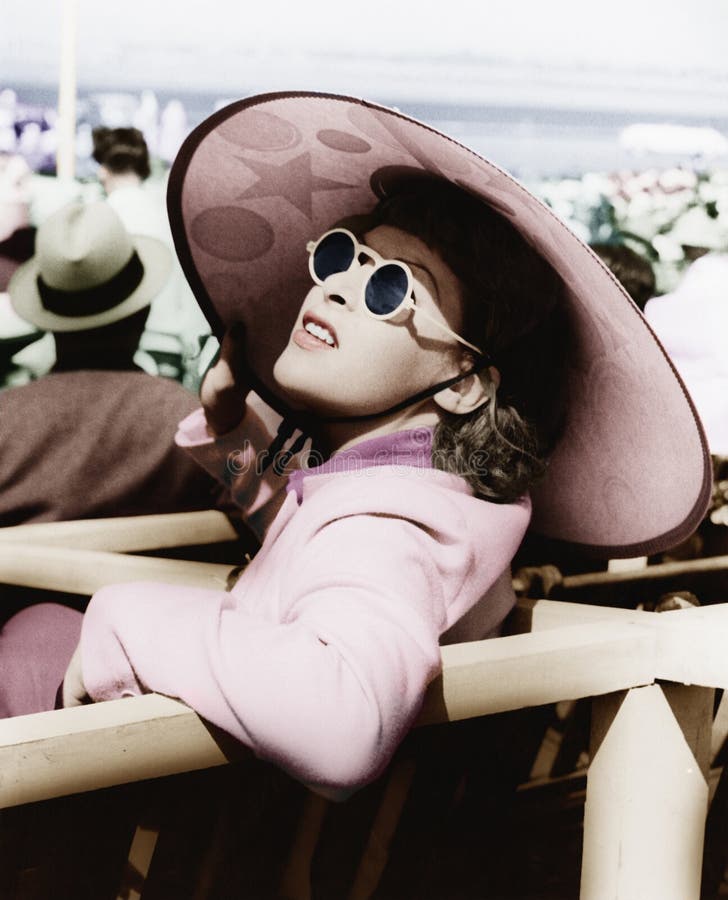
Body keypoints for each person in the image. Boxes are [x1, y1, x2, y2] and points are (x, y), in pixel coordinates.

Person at [0, 94, 709, 802]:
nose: (339, 286)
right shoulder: (414, 492)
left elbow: (343, 718)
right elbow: (298, 526)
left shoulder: (390, 528)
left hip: (184, 842)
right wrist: (227, 428)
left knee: (37, 634)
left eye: (391, 288)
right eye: (345, 255)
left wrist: (121, 615)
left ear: (465, 387)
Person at [0, 199, 227, 524]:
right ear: (142, 310)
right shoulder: (190, 426)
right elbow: (257, 514)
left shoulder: (6, 422)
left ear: (46, 318)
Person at [92, 126, 210, 382]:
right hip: (172, 347)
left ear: (102, 169)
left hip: (125, 349)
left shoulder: (101, 219)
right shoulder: (169, 216)